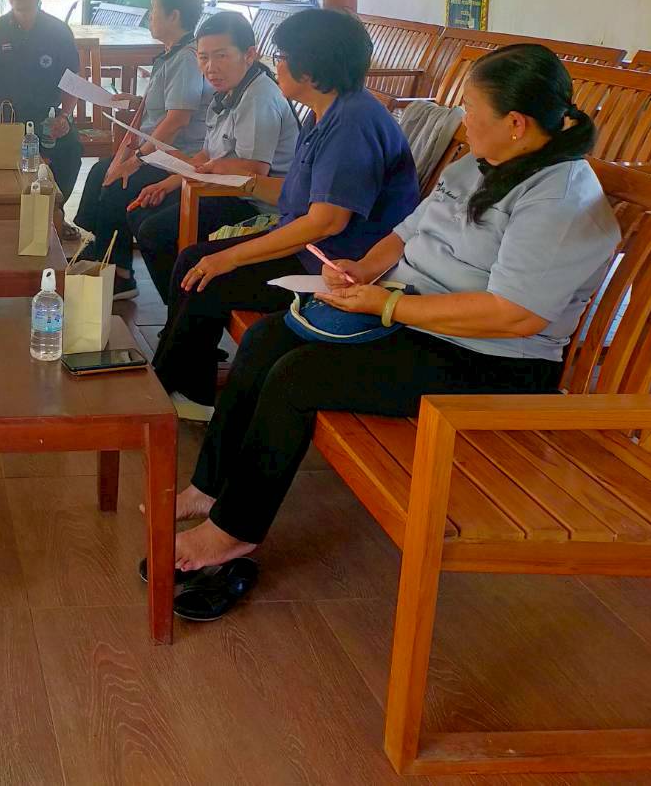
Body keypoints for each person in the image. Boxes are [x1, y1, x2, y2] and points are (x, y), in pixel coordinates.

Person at [164, 43, 618, 599]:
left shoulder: (559, 200)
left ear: (516, 124)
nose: (463, 121)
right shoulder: (478, 164)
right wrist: (362, 270)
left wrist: (386, 306)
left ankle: (234, 531)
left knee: (298, 378)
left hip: (490, 360)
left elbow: (513, 315)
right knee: (265, 338)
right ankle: (210, 486)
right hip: (417, 316)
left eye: (471, 110)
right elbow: (404, 233)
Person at [150, 8, 419, 415]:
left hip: (340, 266)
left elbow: (326, 221)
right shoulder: (327, 111)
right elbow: (299, 197)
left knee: (212, 275)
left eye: (281, 57)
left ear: (309, 68)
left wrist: (231, 256)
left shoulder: (352, 124)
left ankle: (185, 393)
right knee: (195, 260)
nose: (275, 65)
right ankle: (171, 382)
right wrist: (245, 182)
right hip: (312, 248)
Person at [125, 10, 300, 295]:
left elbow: (253, 170)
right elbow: (207, 154)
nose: (210, 67)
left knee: (156, 232)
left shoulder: (258, 97)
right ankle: (180, 301)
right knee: (143, 213)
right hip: (224, 190)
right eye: (203, 57)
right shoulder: (227, 91)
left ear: (249, 54)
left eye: (221, 56)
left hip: (257, 204)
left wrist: (202, 172)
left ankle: (186, 301)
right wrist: (167, 184)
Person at [72, 0, 212, 300]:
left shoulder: (186, 58)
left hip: (176, 158)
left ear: (173, 16)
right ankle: (102, 251)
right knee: (100, 172)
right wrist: (136, 102)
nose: (150, 16)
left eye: (154, 9)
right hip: (156, 152)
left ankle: (121, 274)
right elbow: (167, 105)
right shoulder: (172, 54)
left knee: (119, 182)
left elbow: (177, 119)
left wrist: (135, 159)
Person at [0, 0, 83, 199]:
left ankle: (55, 210)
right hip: (4, 117)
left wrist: (65, 116)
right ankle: (3, 211)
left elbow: (72, 81)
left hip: (47, 117)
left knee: (71, 148)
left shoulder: (58, 31)